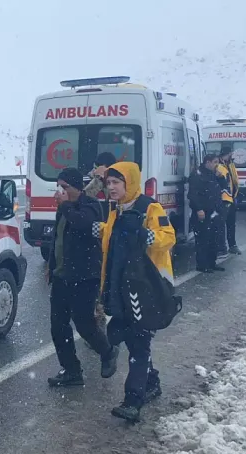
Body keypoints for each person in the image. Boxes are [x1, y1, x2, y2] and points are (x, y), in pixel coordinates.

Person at [95, 161, 176, 422]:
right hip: (121, 286)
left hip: (145, 288)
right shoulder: (115, 211)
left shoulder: (150, 207)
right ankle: (151, 382)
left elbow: (168, 235)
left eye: (116, 183)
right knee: (131, 339)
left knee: (139, 343)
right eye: (108, 184)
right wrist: (102, 230)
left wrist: (149, 236)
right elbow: (117, 239)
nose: (111, 188)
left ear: (129, 182)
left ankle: (133, 400)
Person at [46, 168, 119, 386]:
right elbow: (58, 239)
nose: (61, 191)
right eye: (58, 186)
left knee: (84, 323)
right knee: (58, 326)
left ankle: (107, 351)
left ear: (78, 188)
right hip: (62, 276)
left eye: (65, 187)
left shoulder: (91, 205)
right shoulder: (64, 209)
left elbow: (82, 224)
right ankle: (71, 370)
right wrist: (52, 266)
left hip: (84, 276)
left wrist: (66, 205)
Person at [84, 152, 117, 338]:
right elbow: (85, 197)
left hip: (112, 238)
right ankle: (98, 328)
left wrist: (107, 179)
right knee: (97, 285)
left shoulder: (116, 184)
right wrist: (97, 178)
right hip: (96, 239)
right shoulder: (94, 182)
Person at [188, 154, 225, 273]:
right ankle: (202, 264)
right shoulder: (197, 175)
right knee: (203, 239)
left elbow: (223, 187)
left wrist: (220, 177)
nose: (216, 165)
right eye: (214, 162)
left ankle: (212, 263)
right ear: (207, 162)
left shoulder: (214, 174)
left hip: (214, 211)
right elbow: (193, 194)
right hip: (203, 212)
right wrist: (198, 209)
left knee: (214, 238)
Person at [216, 148, 241, 256]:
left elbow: (234, 180)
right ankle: (222, 247)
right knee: (221, 225)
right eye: (231, 154)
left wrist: (235, 195)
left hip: (231, 198)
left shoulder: (230, 164)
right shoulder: (219, 166)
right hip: (224, 199)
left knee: (231, 224)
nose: (232, 156)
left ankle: (232, 245)